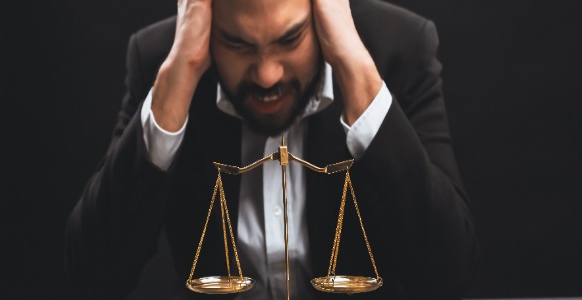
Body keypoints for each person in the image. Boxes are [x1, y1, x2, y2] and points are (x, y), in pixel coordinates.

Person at [66, 0, 480, 299]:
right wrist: (175, 87)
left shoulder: (397, 48)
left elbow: (448, 276)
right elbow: (93, 278)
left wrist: (358, 74)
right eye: (237, 43)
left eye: (290, 39)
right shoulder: (164, 63)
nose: (267, 75)